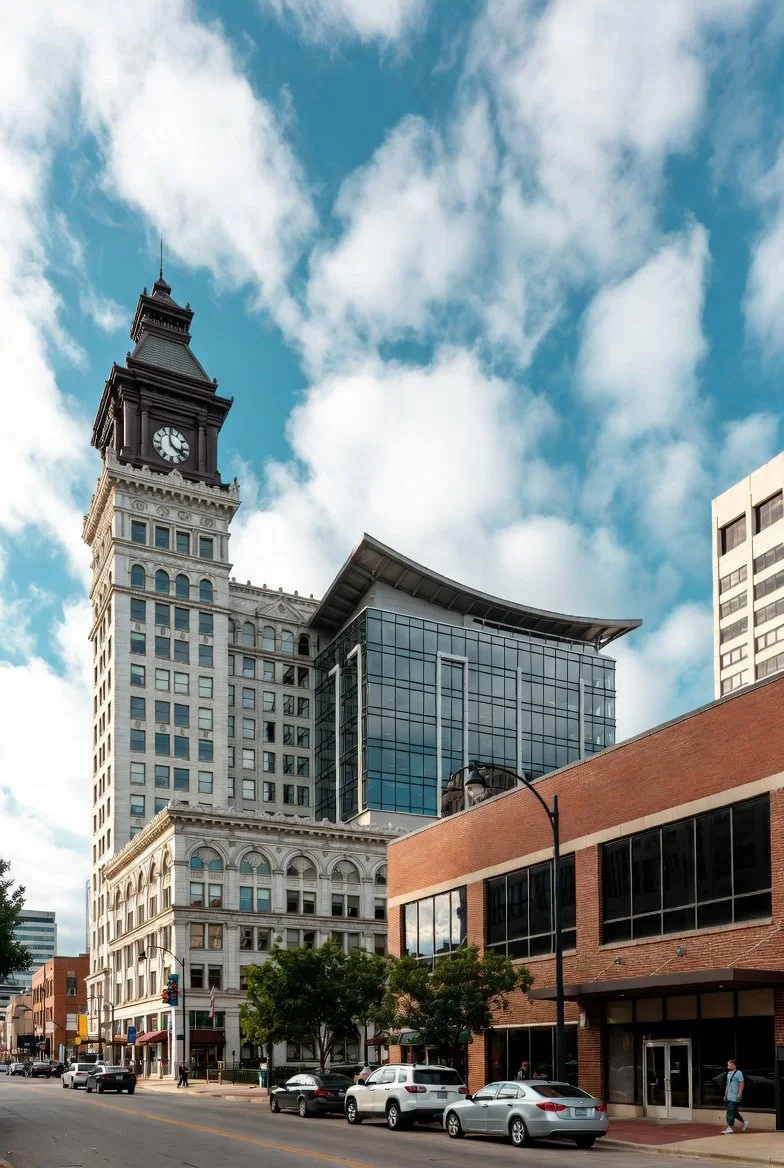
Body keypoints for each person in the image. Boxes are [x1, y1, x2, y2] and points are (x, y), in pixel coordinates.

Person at [722, 1057, 748, 1134]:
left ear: (734, 1065)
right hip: (729, 1096)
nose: (728, 1066)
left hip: (735, 1097)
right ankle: (744, 1122)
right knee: (734, 1112)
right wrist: (725, 1095)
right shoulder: (728, 1074)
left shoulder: (739, 1073)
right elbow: (727, 1084)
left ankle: (730, 1127)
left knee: (730, 1111)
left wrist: (739, 1094)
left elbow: (741, 1083)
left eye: (729, 1065)